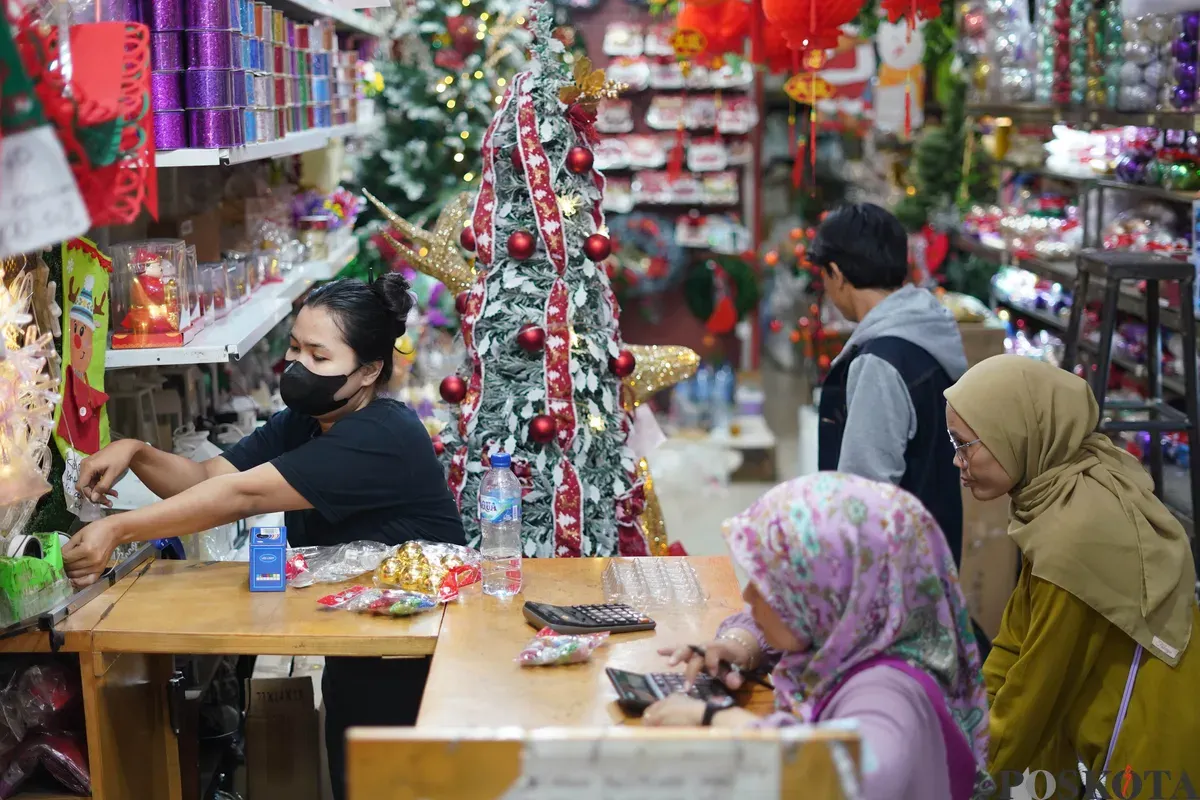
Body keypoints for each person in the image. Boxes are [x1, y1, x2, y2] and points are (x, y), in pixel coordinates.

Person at [65, 273, 466, 800]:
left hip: (416, 656)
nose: (298, 367)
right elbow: (210, 480)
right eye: (295, 348)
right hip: (363, 638)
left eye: (319, 358)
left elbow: (241, 498)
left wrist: (116, 528)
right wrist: (135, 450)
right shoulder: (308, 418)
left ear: (369, 371)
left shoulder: (382, 436)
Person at [644, 473, 989, 800]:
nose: (749, 596)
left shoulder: (887, 691)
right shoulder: (851, 641)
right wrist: (737, 645)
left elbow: (854, 774)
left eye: (770, 587)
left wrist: (712, 718)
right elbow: (759, 622)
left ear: (827, 596)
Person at [945, 355, 1200, 786]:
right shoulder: (1062, 492)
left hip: (1147, 753)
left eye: (963, 444)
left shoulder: (1071, 536)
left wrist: (961, 776)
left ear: (1017, 430)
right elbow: (1015, 640)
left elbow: (1035, 691)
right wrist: (968, 723)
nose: (958, 461)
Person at [809, 203, 968, 565]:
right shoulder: (928, 332)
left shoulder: (880, 361)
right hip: (932, 558)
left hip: (893, 582)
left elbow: (862, 498)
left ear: (836, 273)